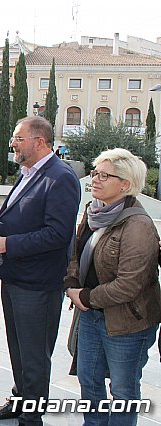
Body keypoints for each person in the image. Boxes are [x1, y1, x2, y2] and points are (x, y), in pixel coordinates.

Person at [0, 116, 81, 425]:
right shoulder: (28, 172)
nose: (12, 143)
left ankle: (31, 418)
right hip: (16, 278)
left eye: (18, 138)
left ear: (39, 141)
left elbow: (58, 234)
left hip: (38, 284)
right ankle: (20, 400)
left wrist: (6, 244)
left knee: (35, 356)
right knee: (18, 349)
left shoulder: (60, 177)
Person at [64, 148, 161, 426]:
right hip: (91, 316)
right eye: (95, 173)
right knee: (89, 383)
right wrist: (71, 283)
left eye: (105, 175)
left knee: (122, 391)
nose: (95, 179)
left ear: (125, 185)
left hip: (127, 323)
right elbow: (76, 251)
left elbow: (130, 284)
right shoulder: (95, 211)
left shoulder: (138, 225)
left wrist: (86, 296)